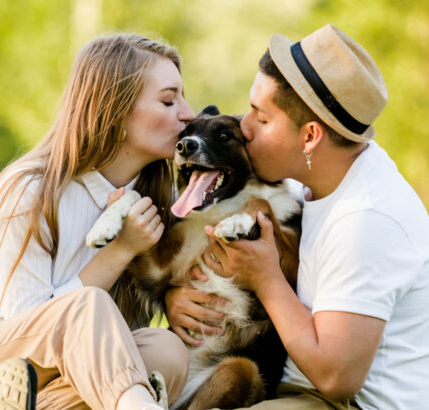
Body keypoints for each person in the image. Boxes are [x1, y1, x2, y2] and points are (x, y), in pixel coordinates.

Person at [165, 24, 429, 409]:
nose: (244, 127)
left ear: (309, 137)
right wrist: (180, 299)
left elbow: (337, 378)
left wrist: (266, 277)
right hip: (287, 384)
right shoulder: (310, 183)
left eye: (261, 118)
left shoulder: (367, 219)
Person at [0, 33, 195, 409]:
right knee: (87, 307)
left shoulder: (159, 202)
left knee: (165, 350)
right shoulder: (29, 190)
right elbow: (33, 325)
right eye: (169, 100)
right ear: (116, 109)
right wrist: (120, 250)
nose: (187, 113)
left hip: (56, 386)